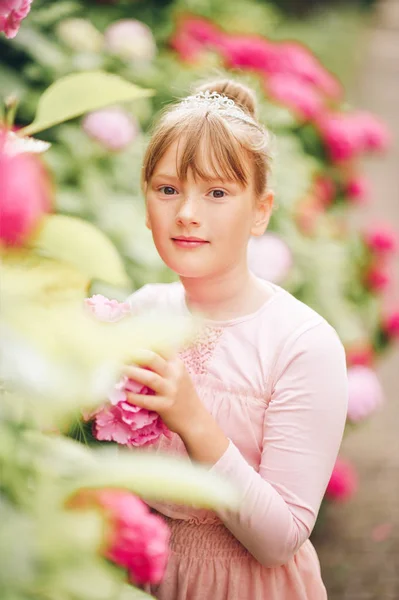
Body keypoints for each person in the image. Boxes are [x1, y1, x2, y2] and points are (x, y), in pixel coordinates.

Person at [122, 78, 348, 600]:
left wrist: (193, 419)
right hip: (136, 576)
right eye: (168, 188)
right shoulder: (138, 313)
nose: (186, 213)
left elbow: (280, 540)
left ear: (261, 210)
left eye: (218, 192)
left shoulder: (301, 344)